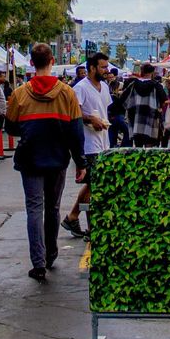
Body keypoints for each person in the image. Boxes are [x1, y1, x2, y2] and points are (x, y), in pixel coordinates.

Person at [6, 43, 87, 282]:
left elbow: (10, 127)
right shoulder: (66, 93)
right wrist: (80, 162)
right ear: (52, 61)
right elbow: (76, 132)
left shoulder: (20, 94)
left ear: (31, 62)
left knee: (34, 208)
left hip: (30, 157)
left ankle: (38, 262)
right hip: (57, 157)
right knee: (53, 207)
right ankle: (51, 253)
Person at [61, 52, 111, 239]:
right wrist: (90, 118)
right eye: (103, 67)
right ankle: (89, 226)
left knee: (93, 184)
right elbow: (73, 113)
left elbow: (106, 110)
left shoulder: (104, 87)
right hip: (88, 144)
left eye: (106, 66)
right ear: (92, 68)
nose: (106, 70)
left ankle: (72, 217)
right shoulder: (80, 88)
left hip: (103, 142)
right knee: (94, 185)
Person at [123, 62, 167, 147]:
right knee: (150, 146)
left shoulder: (133, 84)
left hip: (136, 120)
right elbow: (164, 100)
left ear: (142, 71)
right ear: (152, 72)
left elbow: (123, 99)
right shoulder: (156, 85)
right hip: (151, 120)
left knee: (138, 146)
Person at [106, 67, 131, 147]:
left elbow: (123, 99)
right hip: (112, 114)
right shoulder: (106, 87)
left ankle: (121, 146)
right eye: (109, 77)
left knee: (122, 130)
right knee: (114, 131)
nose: (111, 79)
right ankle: (114, 147)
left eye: (112, 77)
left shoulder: (120, 85)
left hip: (119, 113)